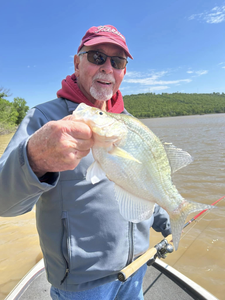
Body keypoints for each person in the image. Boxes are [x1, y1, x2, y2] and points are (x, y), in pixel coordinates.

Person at [0, 25, 171, 300]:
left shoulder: (132, 126)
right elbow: (2, 201)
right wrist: (34, 157)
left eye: (117, 61)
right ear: (77, 62)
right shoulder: (44, 118)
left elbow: (143, 183)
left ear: (124, 72)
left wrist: (167, 218)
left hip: (137, 268)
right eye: (97, 57)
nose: (107, 68)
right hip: (83, 286)